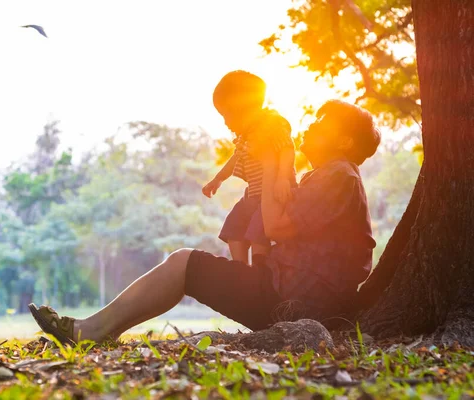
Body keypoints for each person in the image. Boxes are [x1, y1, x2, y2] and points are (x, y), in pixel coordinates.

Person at [29, 100, 381, 345]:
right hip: (286, 289)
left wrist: (273, 159)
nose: (310, 125)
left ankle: (93, 330)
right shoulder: (328, 176)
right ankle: (100, 329)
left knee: (185, 263)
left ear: (344, 140)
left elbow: (276, 227)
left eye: (322, 123)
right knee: (187, 265)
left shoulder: (338, 176)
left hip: (292, 299)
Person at [202, 70, 296, 265]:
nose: (226, 123)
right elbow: (235, 159)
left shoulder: (271, 123)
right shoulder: (245, 136)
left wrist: (282, 178)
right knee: (234, 226)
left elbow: (287, 149)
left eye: (227, 115)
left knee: (257, 232)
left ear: (243, 109)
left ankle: (259, 269)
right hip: (253, 195)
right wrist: (218, 179)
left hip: (273, 195)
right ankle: (241, 268)